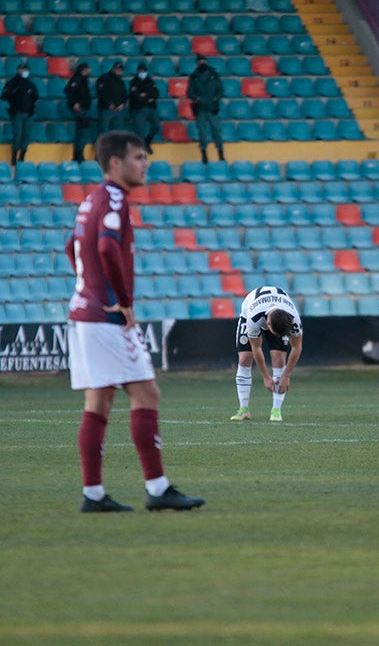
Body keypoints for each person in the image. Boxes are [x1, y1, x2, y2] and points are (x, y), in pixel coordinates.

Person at [66, 130, 205, 512]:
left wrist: (87, 286)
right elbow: (107, 247)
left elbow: (71, 246)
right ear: (116, 163)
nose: (146, 164)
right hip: (106, 317)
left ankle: (93, 494)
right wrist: (122, 301)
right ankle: (157, 489)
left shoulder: (90, 200)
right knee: (146, 394)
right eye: (139, 157)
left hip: (83, 312)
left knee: (99, 402)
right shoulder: (113, 199)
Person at [230, 285, 304, 423]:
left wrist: (286, 376)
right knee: (245, 358)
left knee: (279, 359)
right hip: (250, 310)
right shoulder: (254, 319)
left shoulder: (293, 318)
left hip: (276, 308)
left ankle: (276, 411)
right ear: (268, 324)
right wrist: (265, 377)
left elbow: (297, 346)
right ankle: (243, 410)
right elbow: (256, 348)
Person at [186, 54, 225, 164]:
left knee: (217, 132)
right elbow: (189, 93)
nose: (202, 63)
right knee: (202, 133)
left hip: (213, 109)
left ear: (206, 62)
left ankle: (221, 156)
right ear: (197, 63)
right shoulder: (193, 77)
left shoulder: (215, 75)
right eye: (200, 61)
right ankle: (204, 156)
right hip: (200, 110)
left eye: (204, 61)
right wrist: (196, 98)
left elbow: (221, 90)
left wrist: (217, 98)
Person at [0, 62, 38, 165]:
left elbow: (35, 97)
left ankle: (22, 157)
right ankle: (14, 157)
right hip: (17, 112)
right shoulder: (12, 83)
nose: (25, 72)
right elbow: (4, 96)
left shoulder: (30, 84)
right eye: (23, 70)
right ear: (19, 70)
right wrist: (13, 93)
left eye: (26, 70)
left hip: (28, 113)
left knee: (26, 135)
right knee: (17, 135)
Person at [64, 62, 94, 163]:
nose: (89, 71)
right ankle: (78, 154)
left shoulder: (84, 81)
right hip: (80, 109)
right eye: (87, 69)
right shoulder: (76, 80)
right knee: (83, 132)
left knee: (81, 132)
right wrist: (74, 103)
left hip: (85, 108)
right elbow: (68, 92)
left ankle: (78, 153)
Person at [128, 61, 160, 154]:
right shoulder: (133, 82)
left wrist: (144, 95)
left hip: (150, 108)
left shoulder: (150, 80)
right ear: (137, 71)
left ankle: (147, 142)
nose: (142, 73)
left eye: (144, 71)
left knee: (157, 125)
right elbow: (136, 97)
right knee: (140, 131)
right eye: (140, 71)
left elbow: (156, 93)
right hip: (139, 109)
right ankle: (140, 152)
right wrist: (148, 97)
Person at [96, 60, 127, 134]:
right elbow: (100, 93)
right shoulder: (103, 78)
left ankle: (115, 146)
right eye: (118, 69)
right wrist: (109, 103)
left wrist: (123, 104)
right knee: (104, 131)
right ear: (113, 69)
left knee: (117, 133)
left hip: (119, 110)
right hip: (106, 109)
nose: (119, 71)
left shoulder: (120, 80)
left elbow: (124, 94)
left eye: (121, 70)